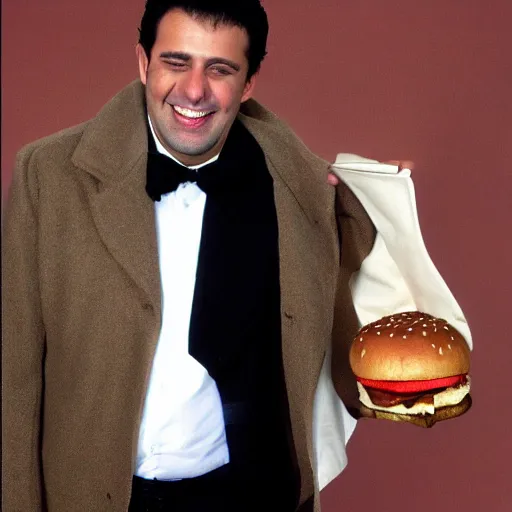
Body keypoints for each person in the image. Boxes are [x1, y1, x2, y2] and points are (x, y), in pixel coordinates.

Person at [3, 1, 391, 511]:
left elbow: (363, 299)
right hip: (94, 496)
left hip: (249, 492)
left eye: (220, 69)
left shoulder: (301, 188)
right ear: (144, 63)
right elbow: (14, 380)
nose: (193, 90)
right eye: (176, 62)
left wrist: (388, 202)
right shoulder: (47, 176)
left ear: (249, 82)